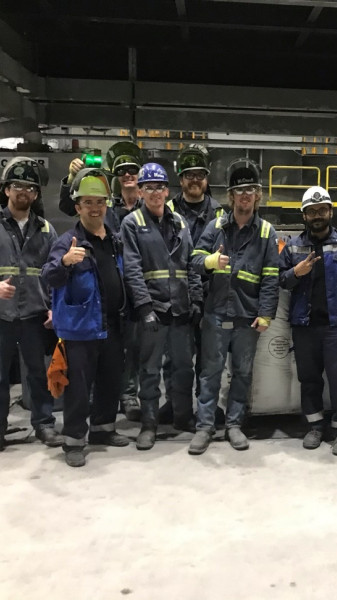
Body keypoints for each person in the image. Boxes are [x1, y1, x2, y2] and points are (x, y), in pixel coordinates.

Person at [0, 159, 62, 455]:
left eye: (30, 188)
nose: (23, 192)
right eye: (17, 186)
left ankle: (44, 423)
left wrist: (53, 307)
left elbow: (54, 273)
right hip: (0, 317)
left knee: (37, 374)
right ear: (6, 190)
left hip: (34, 316)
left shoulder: (45, 229)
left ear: (36, 194)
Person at [188, 158, 279, 455]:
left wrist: (266, 314)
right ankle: (204, 427)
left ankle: (234, 425)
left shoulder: (266, 232)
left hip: (247, 316)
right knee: (210, 372)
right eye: (239, 190)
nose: (245, 195)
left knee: (241, 373)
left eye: (250, 189)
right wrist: (210, 261)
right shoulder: (216, 227)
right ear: (231, 196)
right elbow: (194, 261)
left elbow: (270, 276)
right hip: (217, 313)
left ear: (258, 194)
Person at [42, 169, 130, 467]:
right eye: (88, 202)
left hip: (111, 325)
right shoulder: (67, 242)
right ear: (77, 207)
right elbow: (48, 277)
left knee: (109, 381)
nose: (95, 208)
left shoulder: (114, 240)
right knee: (78, 388)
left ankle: (103, 429)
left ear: (107, 205)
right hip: (80, 328)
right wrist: (65, 262)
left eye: (100, 202)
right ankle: (73, 441)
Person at [120, 163, 203, 450]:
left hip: (180, 308)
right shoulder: (132, 223)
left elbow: (191, 264)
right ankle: (149, 423)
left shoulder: (180, 222)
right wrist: (144, 308)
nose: (155, 193)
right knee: (150, 370)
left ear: (167, 191)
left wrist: (196, 299)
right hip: (153, 309)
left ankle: (182, 416)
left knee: (183, 367)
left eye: (160, 187)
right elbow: (132, 269)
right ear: (140, 191)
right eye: (149, 188)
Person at [279, 186, 337, 456]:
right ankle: (315, 426)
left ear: (330, 212)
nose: (317, 215)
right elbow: (280, 279)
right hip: (304, 326)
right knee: (309, 379)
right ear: (304, 216)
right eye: (311, 211)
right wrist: (296, 272)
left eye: (322, 210)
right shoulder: (293, 246)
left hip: (335, 326)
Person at [59, 153, 144, 422]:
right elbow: (69, 205)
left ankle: (119, 406)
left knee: (124, 361)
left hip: (129, 302)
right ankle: (78, 431)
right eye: (122, 171)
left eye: (133, 170)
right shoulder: (107, 209)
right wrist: (72, 179)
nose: (128, 175)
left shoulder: (151, 205)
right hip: (92, 313)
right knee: (85, 376)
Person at [160, 144, 224, 427]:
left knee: (208, 357)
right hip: (177, 293)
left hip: (210, 294)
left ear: (207, 179)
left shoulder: (220, 213)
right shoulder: (167, 210)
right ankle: (175, 402)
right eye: (189, 175)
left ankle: (205, 404)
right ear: (181, 179)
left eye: (200, 175)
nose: (195, 180)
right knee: (175, 356)